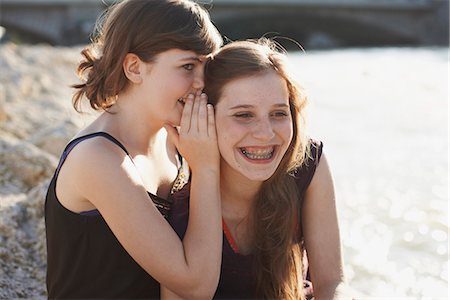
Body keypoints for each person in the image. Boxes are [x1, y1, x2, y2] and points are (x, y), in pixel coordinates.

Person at [44, 0, 224, 299]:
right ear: (135, 68)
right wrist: (206, 169)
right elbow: (195, 285)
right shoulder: (98, 158)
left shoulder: (177, 141)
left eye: (208, 66)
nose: (202, 83)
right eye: (188, 66)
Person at [164, 39, 351, 299]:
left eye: (278, 114)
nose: (265, 134)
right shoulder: (180, 206)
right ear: (203, 118)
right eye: (243, 115)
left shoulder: (308, 163)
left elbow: (331, 282)